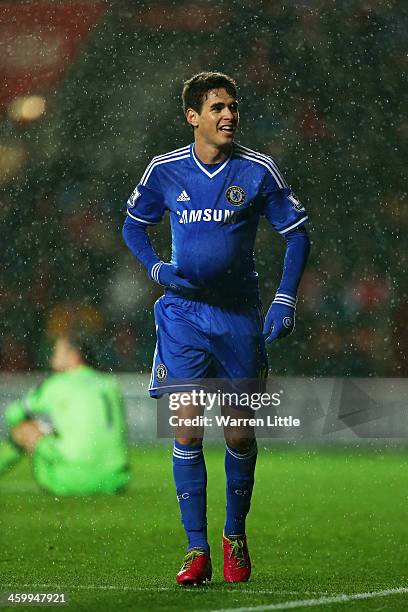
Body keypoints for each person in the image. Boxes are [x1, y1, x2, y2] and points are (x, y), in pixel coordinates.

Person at [122, 71, 310, 585]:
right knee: (185, 424)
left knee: (240, 430)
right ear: (193, 117)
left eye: (233, 106)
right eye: (218, 108)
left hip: (237, 316)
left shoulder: (257, 170)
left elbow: (297, 236)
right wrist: (157, 269)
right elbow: (133, 224)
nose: (229, 115)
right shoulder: (165, 170)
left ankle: (234, 534)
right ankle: (196, 549)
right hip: (182, 313)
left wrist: (284, 299)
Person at [0, 330, 129, 495]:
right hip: (116, 480)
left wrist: (35, 424)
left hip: (72, 480)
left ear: (73, 355)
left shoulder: (57, 384)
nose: (51, 356)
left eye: (57, 351)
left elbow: (12, 413)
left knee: (25, 428)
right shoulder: (110, 384)